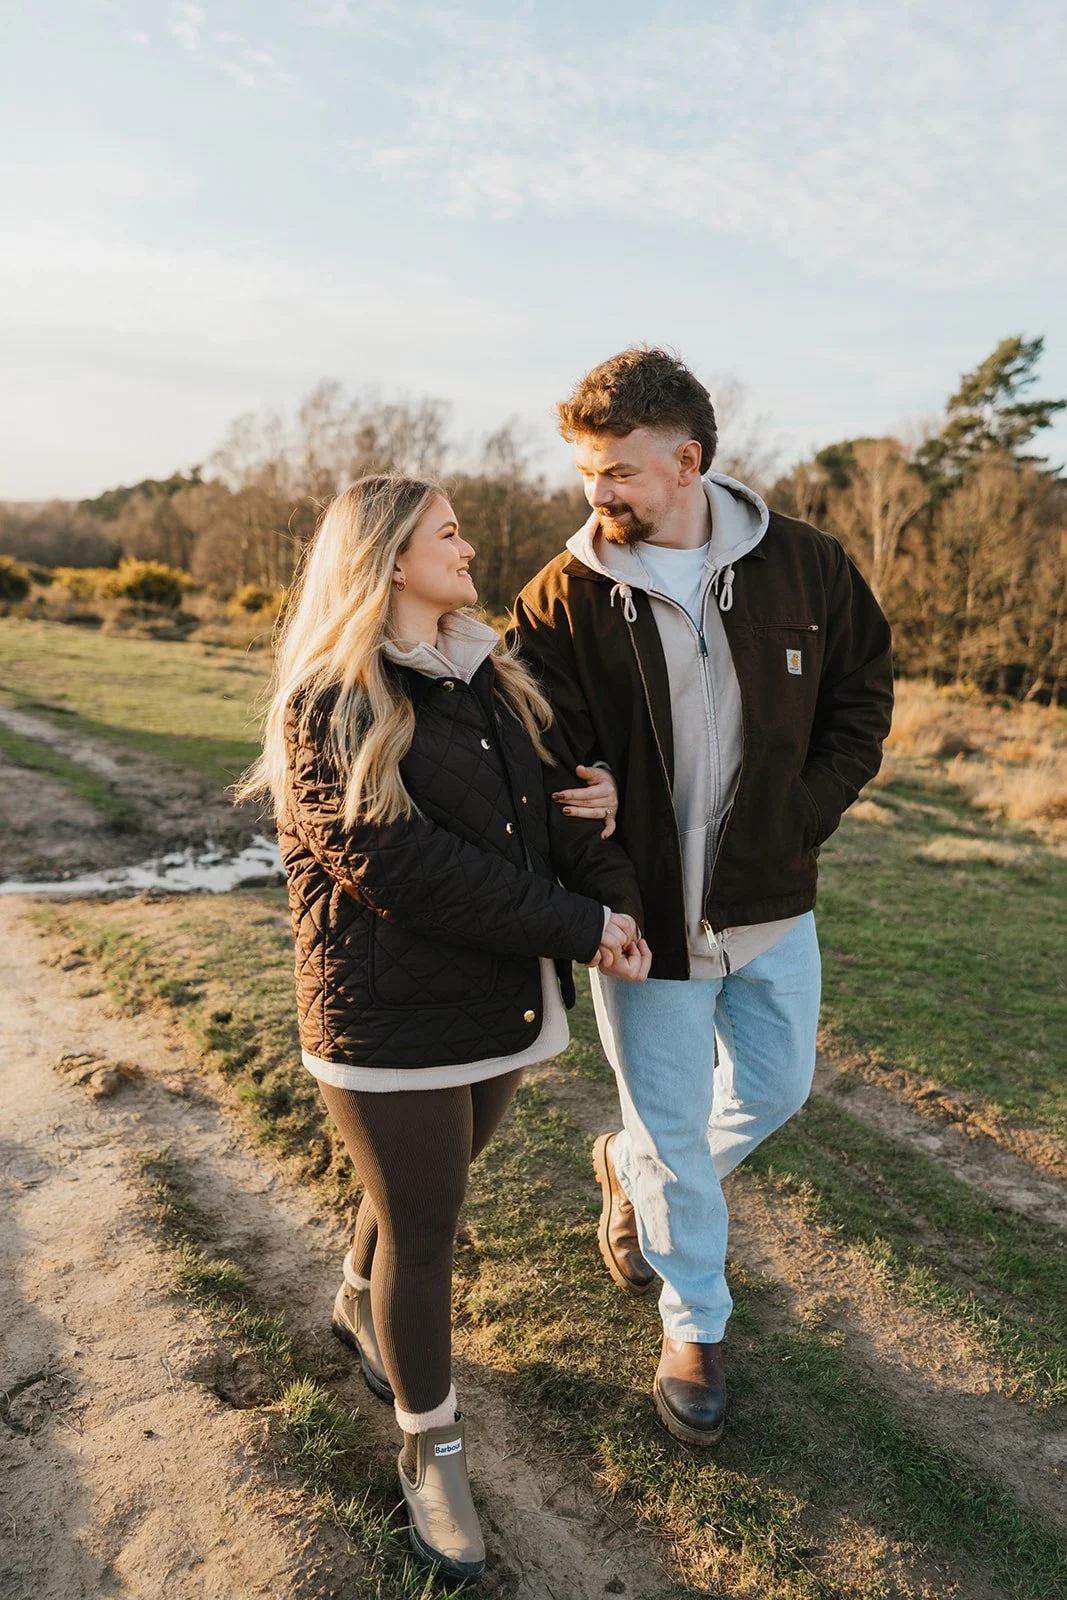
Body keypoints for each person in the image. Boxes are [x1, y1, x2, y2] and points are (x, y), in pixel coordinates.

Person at [236, 474, 648, 1582]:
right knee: (426, 1232)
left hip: (497, 1005)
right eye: (446, 533)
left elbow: (552, 819)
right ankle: (433, 1451)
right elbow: (399, 867)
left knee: (424, 1190)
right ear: (385, 557)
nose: (467, 547)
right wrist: (577, 920)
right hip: (383, 1021)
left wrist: (613, 890)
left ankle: (349, 1299)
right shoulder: (326, 700)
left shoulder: (492, 675)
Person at [513, 347, 894, 1447]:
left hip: (773, 898)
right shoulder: (560, 595)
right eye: (587, 471)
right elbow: (548, 759)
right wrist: (602, 893)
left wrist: (802, 810)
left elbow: (863, 690)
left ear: (685, 461)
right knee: (675, 1129)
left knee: (774, 1089)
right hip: (644, 918)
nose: (598, 494)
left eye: (618, 471)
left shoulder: (804, 565)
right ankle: (693, 1325)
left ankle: (628, 1169)